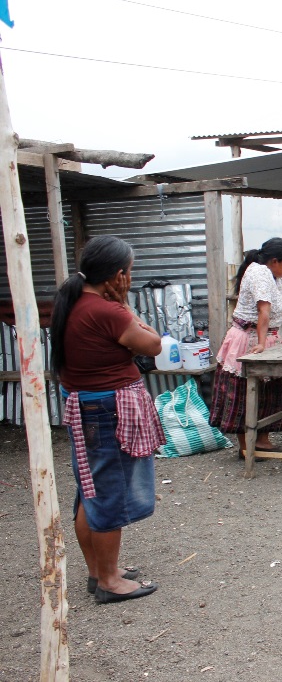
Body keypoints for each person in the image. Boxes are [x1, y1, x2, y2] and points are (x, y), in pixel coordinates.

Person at [51, 235, 164, 603]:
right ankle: (110, 581)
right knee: (109, 493)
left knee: (90, 489)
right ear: (118, 276)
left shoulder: (73, 301)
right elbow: (153, 344)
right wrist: (127, 308)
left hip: (83, 404)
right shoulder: (107, 311)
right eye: (129, 273)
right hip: (106, 409)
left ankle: (98, 571)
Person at [209, 237, 282, 455]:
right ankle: (246, 447)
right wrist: (261, 344)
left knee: (271, 391)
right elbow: (264, 310)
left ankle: (262, 440)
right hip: (247, 338)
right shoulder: (258, 273)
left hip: (268, 337)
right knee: (244, 392)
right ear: (274, 261)